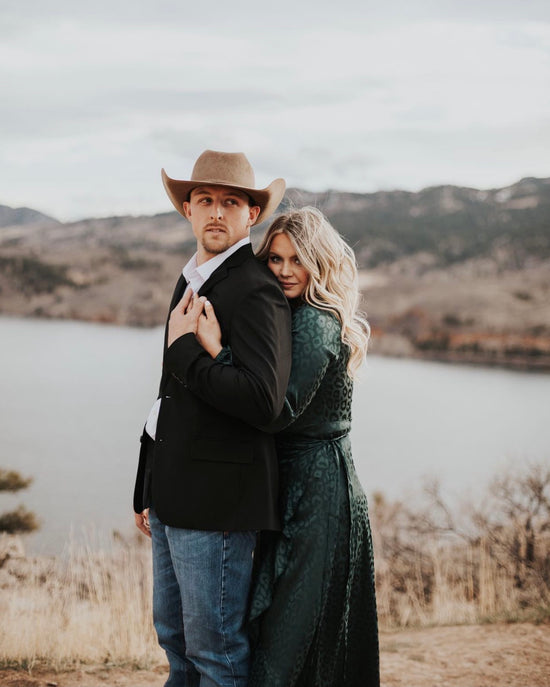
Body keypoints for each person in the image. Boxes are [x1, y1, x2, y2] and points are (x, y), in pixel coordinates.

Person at [196, 206, 380, 687]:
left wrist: (218, 352)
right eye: (275, 259)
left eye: (297, 260)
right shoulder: (292, 314)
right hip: (301, 486)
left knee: (286, 640)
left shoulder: (315, 322)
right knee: (296, 631)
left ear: (319, 262)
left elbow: (276, 411)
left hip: (318, 495)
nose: (283, 271)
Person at [133, 150, 292, 687]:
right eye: (205, 200)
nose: (217, 212)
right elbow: (169, 401)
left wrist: (186, 353)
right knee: (175, 644)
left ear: (252, 215)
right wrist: (147, 484)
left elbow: (264, 402)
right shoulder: (192, 280)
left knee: (215, 655)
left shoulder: (256, 290)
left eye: (231, 202)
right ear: (188, 210)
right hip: (174, 495)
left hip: (218, 506)